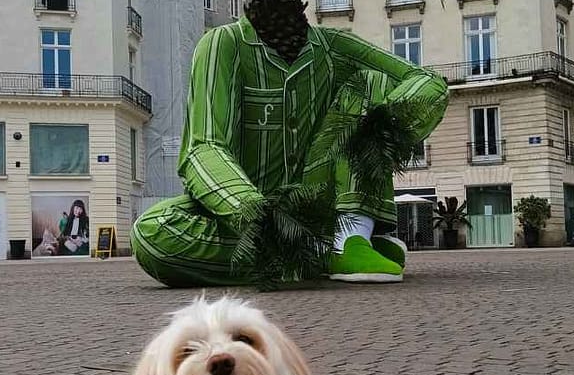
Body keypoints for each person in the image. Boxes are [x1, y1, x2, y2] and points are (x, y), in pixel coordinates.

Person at [131, 17, 448, 287]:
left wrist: (380, 125)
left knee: (369, 79)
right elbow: (204, 146)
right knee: (152, 234)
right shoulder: (223, 44)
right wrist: (255, 214)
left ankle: (353, 232)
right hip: (250, 210)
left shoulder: (333, 47)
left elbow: (426, 82)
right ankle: (322, 249)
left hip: (320, 202)